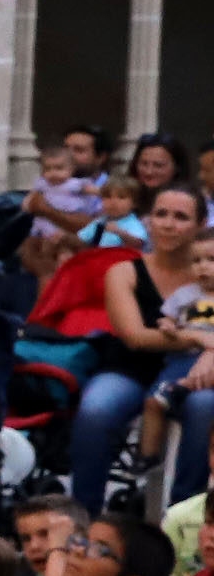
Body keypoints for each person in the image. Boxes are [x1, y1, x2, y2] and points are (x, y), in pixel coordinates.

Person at [66, 180, 214, 511]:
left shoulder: (209, 271)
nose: (169, 224)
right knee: (95, 409)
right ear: (148, 219)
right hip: (131, 367)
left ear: (201, 225)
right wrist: (200, 338)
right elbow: (133, 335)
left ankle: (183, 519)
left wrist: (209, 351)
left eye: (181, 216)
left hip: (193, 373)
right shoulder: (123, 271)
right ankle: (83, 516)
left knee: (205, 406)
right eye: (161, 214)